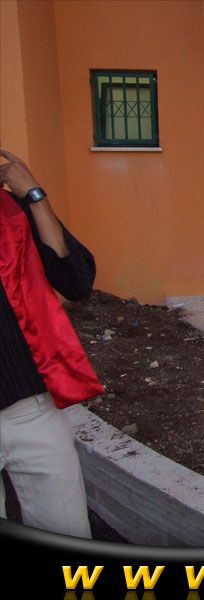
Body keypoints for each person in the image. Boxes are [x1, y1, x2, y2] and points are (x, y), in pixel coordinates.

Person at [0, 149, 103, 538]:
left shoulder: (12, 211)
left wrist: (34, 195)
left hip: (32, 410)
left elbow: (76, 281)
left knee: (69, 531)